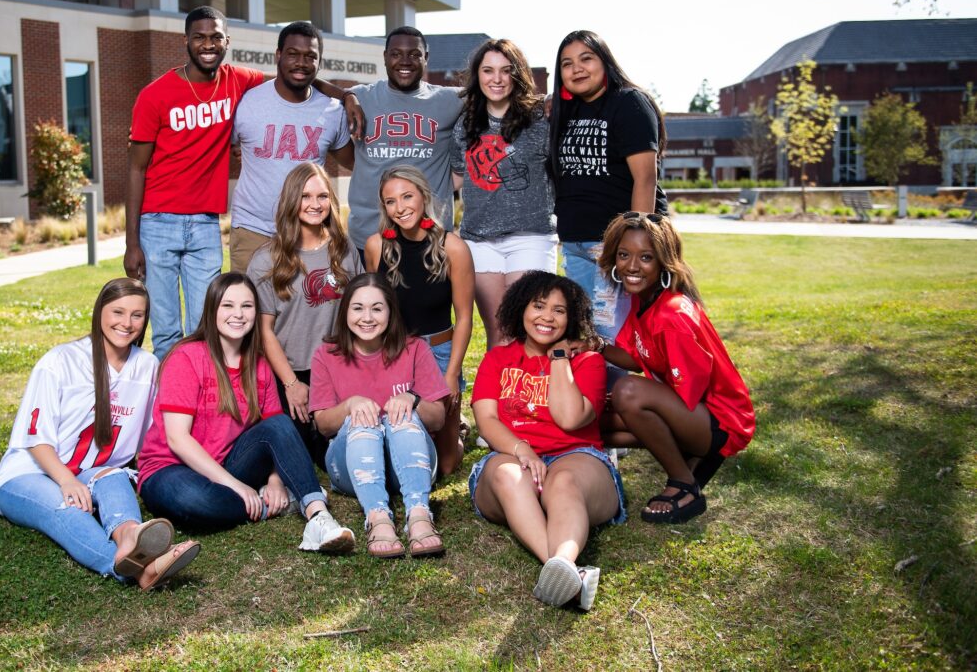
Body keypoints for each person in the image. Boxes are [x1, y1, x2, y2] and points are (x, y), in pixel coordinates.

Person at [126, 7, 357, 355]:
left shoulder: (239, 82)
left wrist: (346, 95)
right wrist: (131, 241)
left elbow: (298, 76)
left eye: (215, 37)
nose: (208, 44)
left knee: (208, 327)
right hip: (183, 223)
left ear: (227, 41)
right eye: (199, 37)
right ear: (185, 40)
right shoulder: (164, 95)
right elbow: (136, 167)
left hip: (211, 222)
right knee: (180, 330)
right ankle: (174, 391)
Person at [0, 278, 199, 590]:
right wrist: (66, 481)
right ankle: (137, 569)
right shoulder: (60, 361)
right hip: (30, 473)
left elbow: (153, 434)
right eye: (118, 312)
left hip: (92, 470)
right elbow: (36, 440)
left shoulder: (146, 366)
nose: (127, 323)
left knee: (113, 477)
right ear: (100, 311)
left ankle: (129, 535)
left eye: (137, 315)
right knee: (67, 509)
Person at [137, 272, 355, 554]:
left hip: (228, 462)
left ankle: (317, 515)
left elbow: (277, 433)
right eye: (228, 305)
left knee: (279, 422)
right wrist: (238, 487)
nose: (238, 314)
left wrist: (275, 481)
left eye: (247, 306)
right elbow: (178, 439)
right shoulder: (186, 357)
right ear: (212, 310)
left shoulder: (259, 365)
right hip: (170, 468)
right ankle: (268, 506)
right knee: (194, 500)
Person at [468, 271, 625, 611]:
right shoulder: (497, 360)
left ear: (572, 318)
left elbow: (570, 419)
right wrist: (522, 449)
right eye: (539, 306)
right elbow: (486, 420)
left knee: (564, 480)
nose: (547, 317)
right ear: (522, 309)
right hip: (513, 457)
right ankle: (567, 572)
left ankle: (563, 564)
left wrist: (559, 359)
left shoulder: (588, 361)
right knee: (507, 474)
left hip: (576, 457)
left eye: (559, 310)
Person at [597, 212, 755, 524]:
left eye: (646, 257)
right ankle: (690, 461)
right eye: (624, 255)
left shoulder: (672, 316)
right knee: (597, 419)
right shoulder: (646, 298)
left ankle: (685, 483)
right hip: (695, 414)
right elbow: (636, 357)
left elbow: (689, 394)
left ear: (663, 262)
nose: (632, 266)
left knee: (627, 392)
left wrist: (632, 404)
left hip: (722, 423)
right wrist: (595, 345)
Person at [310, 274, 450, 558]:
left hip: (411, 463)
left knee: (402, 416)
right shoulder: (327, 355)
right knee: (363, 420)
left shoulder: (414, 348)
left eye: (377, 308)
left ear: (390, 311)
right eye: (358, 308)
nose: (367, 318)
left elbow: (438, 419)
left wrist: (413, 399)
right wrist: (350, 405)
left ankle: (419, 514)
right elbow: (323, 426)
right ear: (345, 311)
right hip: (352, 469)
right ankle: (378, 517)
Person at [548, 30, 669, 354]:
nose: (577, 69)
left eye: (586, 59)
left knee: (612, 337)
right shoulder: (566, 111)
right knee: (585, 335)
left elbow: (646, 178)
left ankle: (624, 388)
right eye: (567, 64)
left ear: (605, 62)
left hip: (614, 243)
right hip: (575, 243)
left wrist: (636, 240)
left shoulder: (628, 102)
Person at [247, 163, 361, 468]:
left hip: (337, 368)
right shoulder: (266, 260)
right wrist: (291, 385)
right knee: (294, 454)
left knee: (337, 456)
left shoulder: (345, 250)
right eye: (305, 196)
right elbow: (264, 330)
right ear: (291, 200)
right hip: (290, 373)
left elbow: (360, 312)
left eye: (322, 196)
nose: (315, 204)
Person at [364, 165, 472, 476]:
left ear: (423, 196)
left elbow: (465, 317)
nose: (400, 208)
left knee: (446, 466)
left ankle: (455, 431)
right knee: (400, 457)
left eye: (407, 197)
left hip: (439, 353)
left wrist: (451, 373)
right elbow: (371, 312)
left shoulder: (453, 247)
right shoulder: (376, 246)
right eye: (391, 201)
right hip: (395, 352)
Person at [451, 39, 556, 347]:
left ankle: (537, 381)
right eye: (488, 70)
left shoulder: (541, 118)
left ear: (517, 74)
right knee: (499, 335)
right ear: (477, 75)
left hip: (531, 236)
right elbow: (457, 178)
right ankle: (499, 382)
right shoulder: (465, 123)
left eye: (505, 70)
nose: (496, 79)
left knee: (528, 330)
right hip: (480, 241)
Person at [229, 21, 354, 273]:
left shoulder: (332, 111)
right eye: (293, 54)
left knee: (308, 299)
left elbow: (356, 163)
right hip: (254, 230)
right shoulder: (246, 103)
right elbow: (221, 146)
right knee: (246, 299)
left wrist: (347, 96)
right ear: (278, 55)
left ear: (319, 62)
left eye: (310, 56)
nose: (301, 63)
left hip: (307, 232)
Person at [344, 26, 462, 249]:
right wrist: (347, 95)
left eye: (414, 54)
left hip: (429, 238)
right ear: (385, 57)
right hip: (368, 237)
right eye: (396, 54)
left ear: (426, 58)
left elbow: (497, 93)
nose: (405, 61)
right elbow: (317, 88)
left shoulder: (449, 100)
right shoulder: (362, 97)